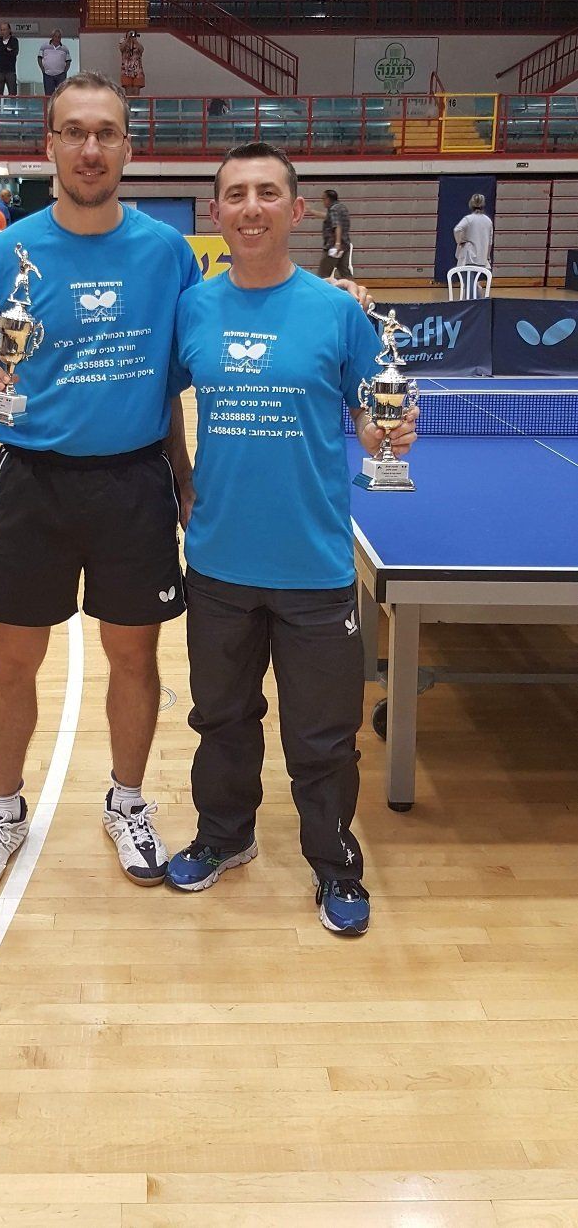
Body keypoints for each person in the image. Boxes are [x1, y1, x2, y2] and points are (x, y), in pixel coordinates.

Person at [0, 73, 372, 901]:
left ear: (127, 147)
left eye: (105, 132)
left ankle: (128, 802)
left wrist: (179, 471)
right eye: (74, 131)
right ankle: (1, 811)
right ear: (50, 144)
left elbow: (210, 339)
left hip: (134, 482)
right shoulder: (4, 252)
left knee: (133, 657)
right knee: (11, 659)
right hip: (31, 480)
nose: (89, 147)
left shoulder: (167, 252)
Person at [164, 144, 417, 937]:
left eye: (267, 193)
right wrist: (180, 476)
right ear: (216, 212)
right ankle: (224, 835)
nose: (251, 207)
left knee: (323, 737)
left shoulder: (337, 312)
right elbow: (163, 398)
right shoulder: (192, 309)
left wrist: (386, 431)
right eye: (235, 194)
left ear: (296, 210)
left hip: (313, 564)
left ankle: (334, 862)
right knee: (221, 718)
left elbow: (374, 407)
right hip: (217, 562)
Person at [313, 188, 352, 280]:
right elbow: (327, 217)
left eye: (323, 199)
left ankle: (321, 290)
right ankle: (353, 288)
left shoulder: (333, 209)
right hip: (345, 246)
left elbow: (337, 225)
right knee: (345, 273)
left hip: (333, 247)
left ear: (328, 199)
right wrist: (311, 211)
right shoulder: (342, 207)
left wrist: (337, 243)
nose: (322, 201)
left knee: (323, 275)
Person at [454, 192, 494, 269]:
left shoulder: (468, 219)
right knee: (478, 276)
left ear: (471, 205)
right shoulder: (488, 221)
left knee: (466, 276)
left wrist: (460, 241)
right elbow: (490, 242)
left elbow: (457, 230)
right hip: (482, 258)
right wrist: (487, 257)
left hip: (468, 257)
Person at [37, 29, 71, 96]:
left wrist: (64, 72)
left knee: (61, 94)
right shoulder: (44, 46)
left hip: (61, 75)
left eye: (59, 37)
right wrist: (43, 70)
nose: (57, 38)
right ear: (52, 36)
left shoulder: (65, 48)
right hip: (48, 75)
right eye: (55, 36)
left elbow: (68, 61)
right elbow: (39, 58)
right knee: (49, 95)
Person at [0, 23, 20, 97]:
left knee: (12, 93)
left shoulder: (14, 40)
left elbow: (14, 53)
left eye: (4, 30)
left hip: (10, 70)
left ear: (9, 30)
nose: (2, 32)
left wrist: (1, 49)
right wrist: (6, 49)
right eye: (1, 30)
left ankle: (12, 105)